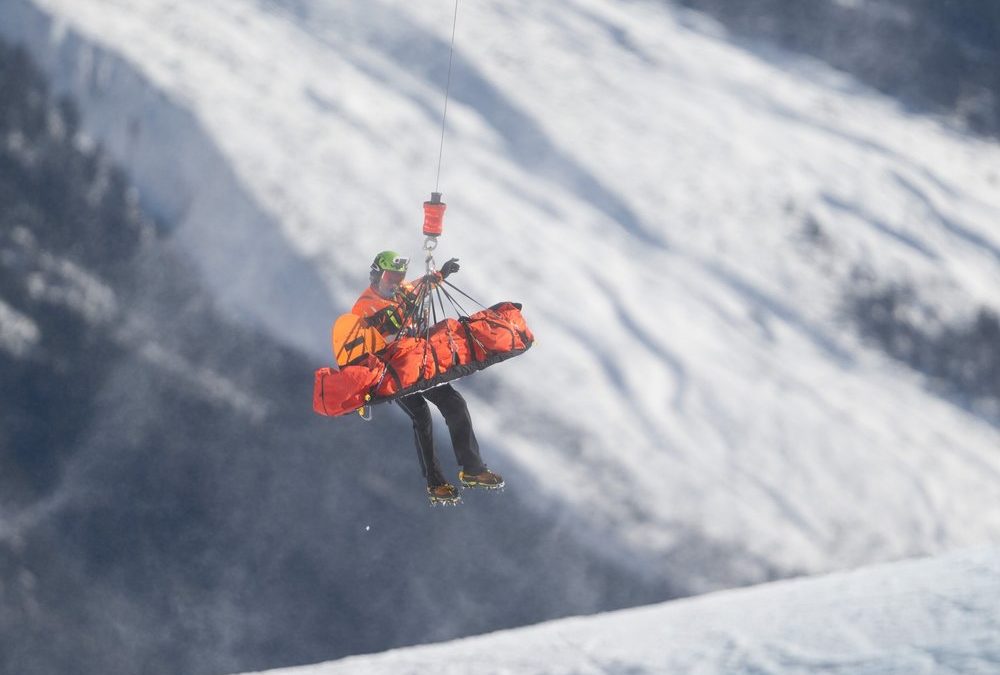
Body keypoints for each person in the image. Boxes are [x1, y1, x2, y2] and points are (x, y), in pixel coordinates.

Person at [351, 250, 504, 504]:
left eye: (399, 277)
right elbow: (367, 335)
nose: (396, 282)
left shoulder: (401, 292)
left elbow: (422, 284)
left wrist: (441, 273)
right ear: (377, 275)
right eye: (390, 277)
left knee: (454, 403)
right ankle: (436, 484)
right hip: (389, 374)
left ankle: (473, 469)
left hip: (415, 363)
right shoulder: (364, 305)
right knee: (421, 414)